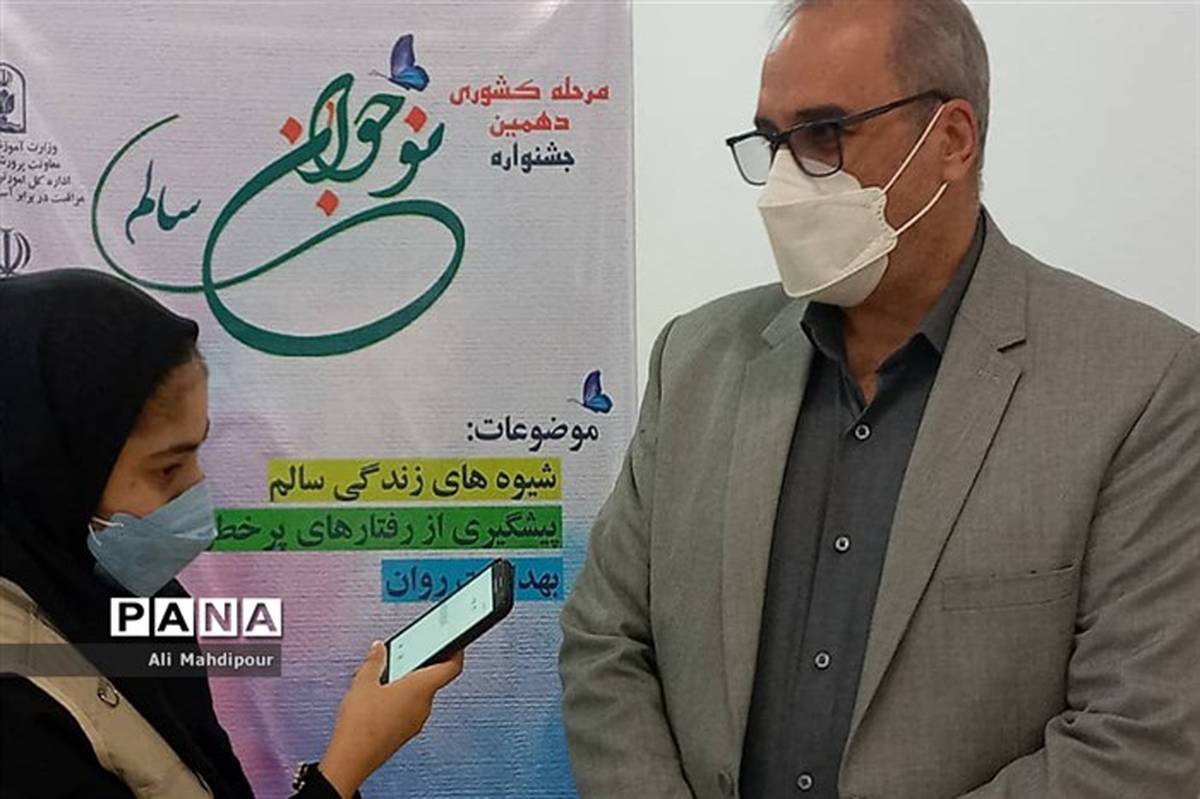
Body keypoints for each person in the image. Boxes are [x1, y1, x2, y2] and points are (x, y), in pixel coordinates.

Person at [559, 1, 1200, 797]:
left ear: (952, 140)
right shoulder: (694, 362)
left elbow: (1142, 737)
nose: (784, 184)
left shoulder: (1140, 385)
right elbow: (606, 641)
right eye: (773, 141)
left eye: (825, 134)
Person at [0, 269, 463, 798]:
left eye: (197, 453)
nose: (196, 492)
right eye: (167, 469)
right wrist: (345, 766)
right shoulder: (16, 704)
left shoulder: (129, 605)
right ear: (50, 471)